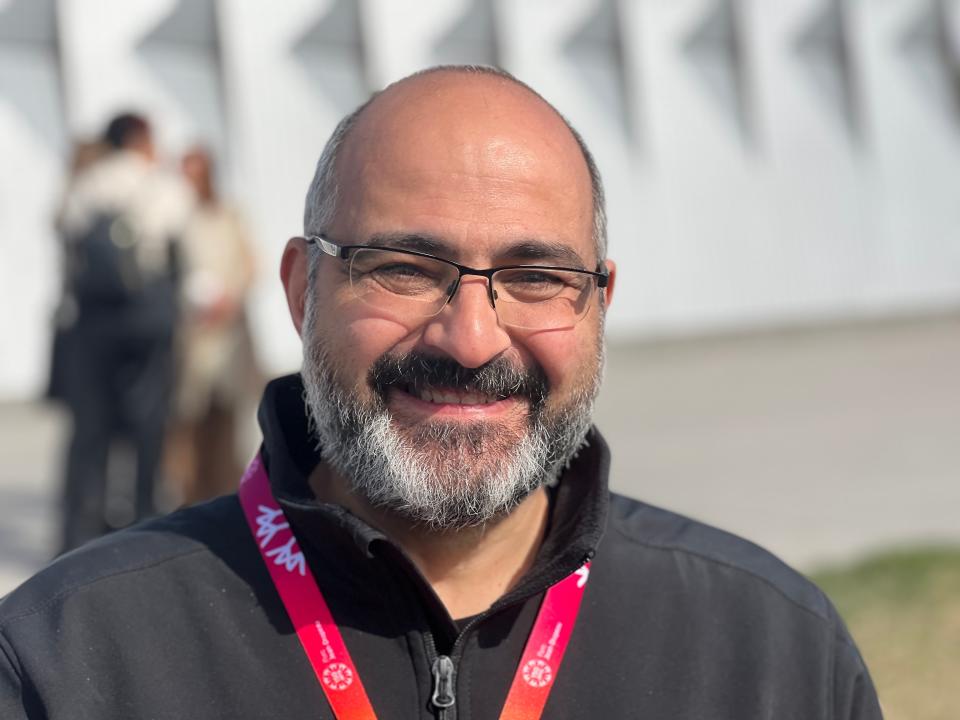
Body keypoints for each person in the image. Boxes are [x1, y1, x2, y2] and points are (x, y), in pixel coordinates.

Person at [0, 67, 882, 718]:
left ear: (599, 305)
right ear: (303, 289)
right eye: (406, 269)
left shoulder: (773, 656)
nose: (470, 338)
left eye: (536, 277)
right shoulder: (72, 657)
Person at [52, 113, 194, 552]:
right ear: (141, 137)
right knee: (148, 423)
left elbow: (63, 234)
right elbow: (178, 242)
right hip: (147, 317)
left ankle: (78, 533)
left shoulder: (86, 182)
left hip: (93, 319)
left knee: (89, 429)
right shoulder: (163, 184)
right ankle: (142, 528)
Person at [165, 146, 260, 505]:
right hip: (189, 334)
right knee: (188, 421)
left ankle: (226, 496)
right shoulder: (174, 218)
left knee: (226, 418)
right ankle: (189, 496)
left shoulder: (228, 215)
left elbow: (249, 262)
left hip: (228, 331)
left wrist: (229, 299)